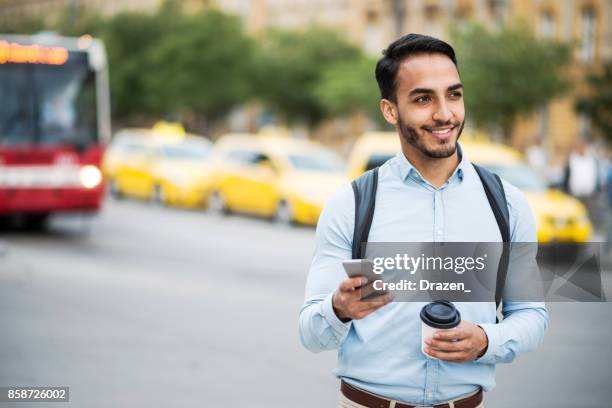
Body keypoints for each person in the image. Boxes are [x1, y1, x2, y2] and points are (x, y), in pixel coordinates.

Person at [299, 34, 548, 408]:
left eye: (454, 95)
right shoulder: (351, 204)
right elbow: (311, 333)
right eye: (423, 99)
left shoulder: (507, 204)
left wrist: (485, 340)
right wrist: (338, 308)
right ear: (390, 110)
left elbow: (531, 315)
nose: (445, 113)